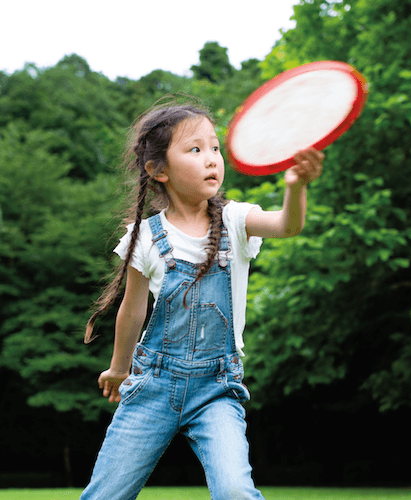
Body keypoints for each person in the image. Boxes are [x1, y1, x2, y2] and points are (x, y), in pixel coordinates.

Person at [81, 100, 324, 500]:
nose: (212, 159)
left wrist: (295, 187)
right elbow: (133, 310)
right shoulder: (144, 236)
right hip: (153, 386)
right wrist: (118, 368)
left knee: (235, 492)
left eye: (215, 148)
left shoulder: (236, 220)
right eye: (195, 150)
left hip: (217, 389)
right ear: (158, 170)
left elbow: (288, 225)